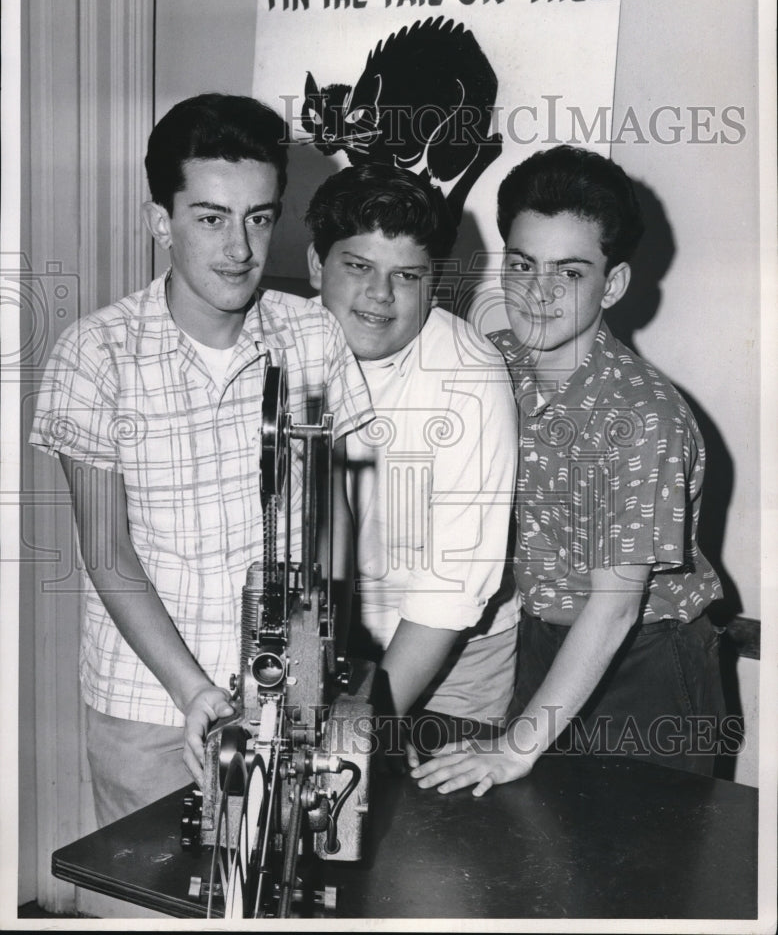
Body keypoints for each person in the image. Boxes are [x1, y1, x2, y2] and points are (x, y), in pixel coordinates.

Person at [29, 93, 373, 826]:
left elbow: (332, 527)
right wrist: (195, 694)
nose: (240, 249)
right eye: (211, 219)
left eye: (258, 217)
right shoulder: (93, 355)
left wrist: (307, 682)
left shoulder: (312, 335)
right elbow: (108, 553)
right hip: (151, 713)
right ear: (162, 222)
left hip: (287, 703)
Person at [412, 145, 726, 795]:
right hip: (544, 642)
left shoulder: (641, 415)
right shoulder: (494, 363)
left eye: (571, 272)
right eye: (523, 265)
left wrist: (515, 748)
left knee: (639, 880)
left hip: (646, 661)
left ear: (612, 283)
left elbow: (614, 608)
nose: (538, 293)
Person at [305, 163, 520, 756]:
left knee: (426, 836)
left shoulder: (469, 374)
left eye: (407, 275)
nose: (380, 295)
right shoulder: (273, 348)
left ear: (436, 282)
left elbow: (448, 591)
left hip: (451, 653)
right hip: (314, 636)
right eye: (357, 267)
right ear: (313, 265)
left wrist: (354, 740)